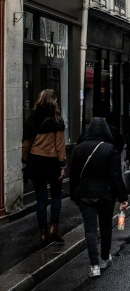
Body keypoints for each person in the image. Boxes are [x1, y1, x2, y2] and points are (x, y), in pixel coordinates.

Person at [69, 117, 128, 278]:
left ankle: (94, 265)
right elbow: (116, 176)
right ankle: (104, 258)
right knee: (105, 226)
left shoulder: (79, 148)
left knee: (90, 230)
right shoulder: (110, 149)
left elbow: (73, 175)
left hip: (84, 194)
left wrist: (73, 194)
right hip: (105, 195)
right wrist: (123, 197)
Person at [22, 89, 67, 246]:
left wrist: (25, 160)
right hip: (52, 162)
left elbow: (26, 143)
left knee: (40, 198)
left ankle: (42, 233)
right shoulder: (57, 119)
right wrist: (63, 165)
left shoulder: (32, 118)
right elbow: (60, 147)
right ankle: (53, 227)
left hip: (35, 161)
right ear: (54, 100)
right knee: (56, 195)